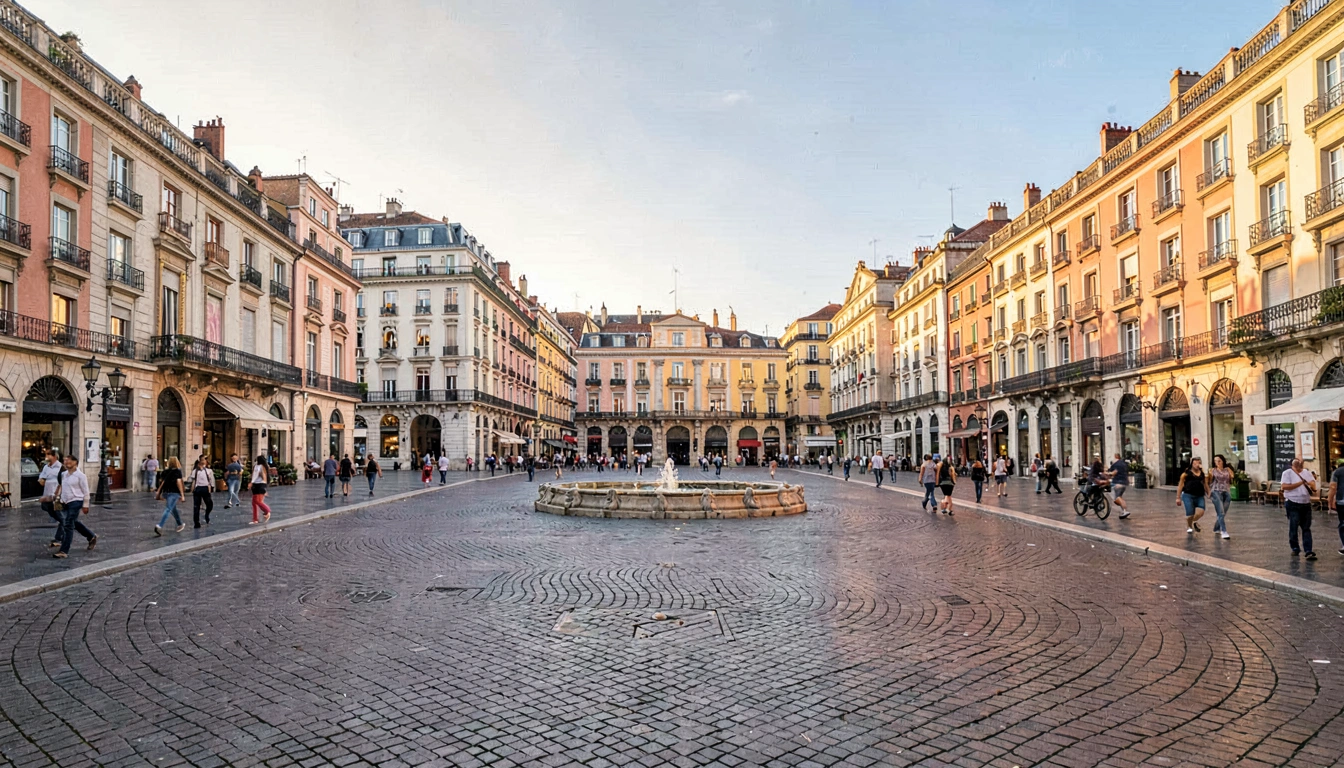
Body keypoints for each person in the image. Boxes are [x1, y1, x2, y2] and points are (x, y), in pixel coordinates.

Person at [53, 454, 94, 558]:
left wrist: (86, 505)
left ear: (75, 462)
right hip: (65, 502)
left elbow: (86, 491)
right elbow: (63, 488)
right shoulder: (64, 474)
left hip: (76, 501)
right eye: (65, 461)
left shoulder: (81, 476)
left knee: (68, 524)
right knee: (72, 522)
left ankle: (64, 551)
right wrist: (58, 497)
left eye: (69, 461)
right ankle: (91, 536)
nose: (66, 462)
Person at [1282, 457, 1317, 559]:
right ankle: (1295, 548)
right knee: (1293, 526)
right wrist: (1300, 483)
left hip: (1305, 503)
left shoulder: (1307, 472)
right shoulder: (1287, 473)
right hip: (1292, 502)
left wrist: (1311, 484)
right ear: (1292, 465)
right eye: (1296, 463)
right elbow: (1284, 487)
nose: (1298, 465)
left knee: (1306, 527)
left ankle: (1308, 550)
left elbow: (1314, 487)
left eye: (1300, 463)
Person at [39, 450, 67, 549]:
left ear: (54, 456)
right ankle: (64, 533)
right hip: (47, 497)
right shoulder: (46, 467)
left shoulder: (61, 467)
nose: (46, 456)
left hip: (57, 497)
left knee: (62, 518)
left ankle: (59, 538)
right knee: (61, 518)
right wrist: (42, 480)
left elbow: (64, 482)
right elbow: (41, 479)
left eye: (48, 454)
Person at [1176, 457, 1209, 535]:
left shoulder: (1202, 473)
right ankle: (1189, 526)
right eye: (1195, 463)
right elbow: (1180, 485)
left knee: (1201, 511)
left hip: (1199, 495)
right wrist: (1178, 497)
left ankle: (1193, 522)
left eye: (1199, 463)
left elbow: (1205, 484)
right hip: (1188, 495)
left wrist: (1209, 492)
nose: (1197, 465)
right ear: (1191, 464)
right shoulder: (1186, 474)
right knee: (1190, 513)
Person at [154, 457, 186, 536]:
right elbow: (178, 482)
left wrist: (158, 492)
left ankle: (180, 524)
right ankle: (160, 525)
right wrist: (182, 495)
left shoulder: (165, 472)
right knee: (168, 509)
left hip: (166, 492)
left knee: (173, 508)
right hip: (174, 493)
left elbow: (162, 482)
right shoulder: (177, 472)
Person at [1209, 454, 1233, 540]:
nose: (1217, 463)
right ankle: (1224, 531)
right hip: (1216, 491)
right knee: (1221, 512)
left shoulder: (1228, 469)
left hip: (1226, 491)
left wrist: (1231, 474)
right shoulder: (1212, 470)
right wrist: (1208, 492)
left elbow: (1232, 478)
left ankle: (1216, 528)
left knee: (1223, 512)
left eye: (1219, 461)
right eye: (1215, 461)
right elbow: (1208, 481)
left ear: (1223, 461)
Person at [189, 457, 215, 528]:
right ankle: (196, 523)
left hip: (205, 488)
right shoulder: (195, 471)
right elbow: (193, 481)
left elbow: (211, 480)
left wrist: (211, 487)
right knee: (196, 506)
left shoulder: (209, 470)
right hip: (198, 489)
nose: (205, 462)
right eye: (203, 460)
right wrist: (192, 489)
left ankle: (206, 515)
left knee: (209, 504)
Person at [1328, 458, 1344, 555]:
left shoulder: (1337, 472)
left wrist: (1330, 501)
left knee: (1343, 523)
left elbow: (1333, 487)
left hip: (1342, 501)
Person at [250, 455, 272, 524]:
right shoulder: (257, 466)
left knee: (258, 501)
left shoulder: (262, 467)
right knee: (254, 502)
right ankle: (255, 519)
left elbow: (258, 476)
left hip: (260, 485)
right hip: (257, 485)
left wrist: (252, 482)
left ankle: (267, 511)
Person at [1109, 453, 1131, 519]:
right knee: (1119, 497)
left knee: (1117, 498)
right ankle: (1123, 511)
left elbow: (1114, 472)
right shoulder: (1124, 463)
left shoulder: (1117, 464)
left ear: (1116, 457)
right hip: (1124, 482)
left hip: (1118, 483)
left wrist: (1108, 473)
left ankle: (1125, 510)